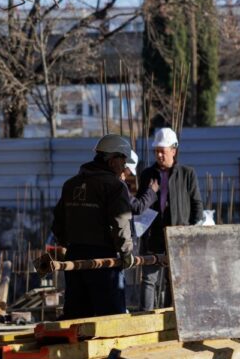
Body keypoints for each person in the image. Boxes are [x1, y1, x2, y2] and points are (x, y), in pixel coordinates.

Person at [51, 134, 135, 319]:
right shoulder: (115, 186)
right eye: (123, 160)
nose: (124, 166)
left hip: (75, 259)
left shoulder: (71, 184)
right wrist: (127, 252)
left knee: (77, 316)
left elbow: (58, 222)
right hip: (103, 261)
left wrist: (69, 243)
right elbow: (120, 223)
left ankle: (76, 347)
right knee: (110, 317)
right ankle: (112, 350)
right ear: (112, 160)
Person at [136, 127, 203, 310]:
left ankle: (170, 317)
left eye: (162, 151)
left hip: (177, 235)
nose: (158, 155)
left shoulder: (186, 174)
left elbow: (196, 203)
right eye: (156, 151)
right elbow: (141, 206)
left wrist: (191, 229)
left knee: (173, 280)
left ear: (173, 150)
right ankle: (145, 318)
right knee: (149, 279)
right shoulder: (147, 175)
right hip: (153, 234)